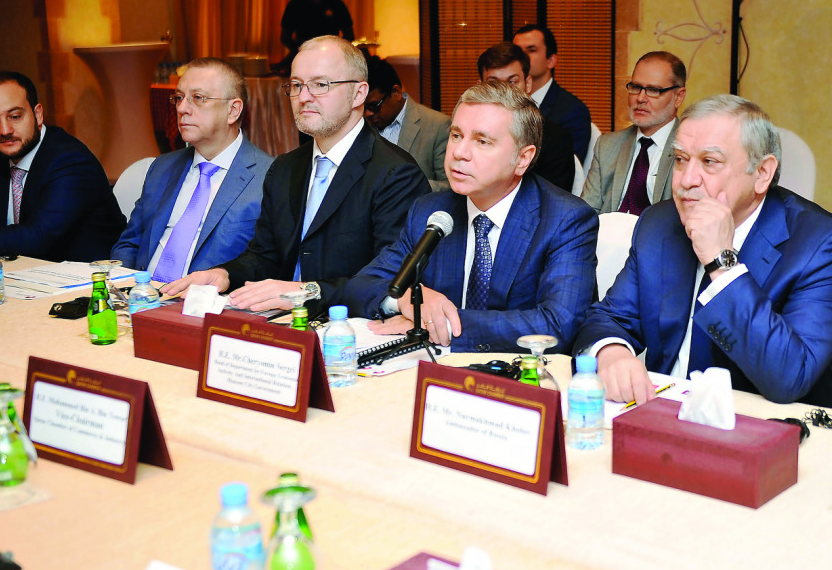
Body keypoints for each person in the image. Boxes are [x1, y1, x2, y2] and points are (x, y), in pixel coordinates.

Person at [573, 95, 832, 408]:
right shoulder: (660, 223)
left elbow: (789, 378)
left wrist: (721, 261)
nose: (686, 181)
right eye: (681, 159)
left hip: (771, 428)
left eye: (709, 162)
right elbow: (610, 317)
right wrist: (611, 352)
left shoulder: (824, 244)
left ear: (762, 173)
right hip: (662, 416)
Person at [163, 35, 429, 312]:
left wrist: (304, 291)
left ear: (359, 93)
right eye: (296, 85)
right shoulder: (286, 168)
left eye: (320, 85)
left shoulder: (396, 174)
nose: (303, 97)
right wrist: (224, 274)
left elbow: (391, 281)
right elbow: (265, 256)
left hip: (347, 328)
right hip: (280, 322)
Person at [344, 80, 598, 353]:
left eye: (482, 141)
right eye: (456, 135)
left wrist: (436, 323)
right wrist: (406, 300)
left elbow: (558, 324)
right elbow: (360, 286)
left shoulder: (565, 219)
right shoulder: (431, 211)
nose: (459, 153)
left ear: (523, 158)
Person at [111, 58, 273, 278]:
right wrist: (123, 285)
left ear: (233, 111)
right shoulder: (162, 167)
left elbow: (269, 263)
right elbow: (130, 242)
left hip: (208, 304)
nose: (182, 108)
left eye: (198, 98)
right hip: (140, 299)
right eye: (179, 98)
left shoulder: (268, 177)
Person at [0, 71, 124, 261]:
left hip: (88, 279)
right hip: (21, 278)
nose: (4, 130)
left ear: (38, 114)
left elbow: (36, 238)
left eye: (15, 116)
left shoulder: (70, 160)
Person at [581, 51, 685, 214]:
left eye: (653, 90)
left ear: (678, 96)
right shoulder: (607, 145)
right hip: (607, 236)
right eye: (636, 87)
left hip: (657, 238)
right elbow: (587, 212)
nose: (640, 98)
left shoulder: (689, 148)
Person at [477, 42, 576, 192]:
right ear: (480, 88)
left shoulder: (555, 140)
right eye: (495, 84)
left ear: (528, 84)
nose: (505, 92)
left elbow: (554, 202)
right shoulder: (467, 136)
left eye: (512, 82)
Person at [363, 56, 450, 191]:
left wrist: (409, 186)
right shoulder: (361, 125)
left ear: (396, 93)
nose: (368, 113)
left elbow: (449, 187)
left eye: (374, 106)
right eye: (363, 107)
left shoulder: (437, 126)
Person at [513, 24, 593, 163]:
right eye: (517, 51)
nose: (522, 57)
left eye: (531, 50)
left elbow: (567, 168)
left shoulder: (572, 111)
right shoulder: (505, 103)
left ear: (551, 61)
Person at [278, 0, 355, 68]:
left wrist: (337, 52)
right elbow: (285, 37)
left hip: (332, 60)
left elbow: (349, 34)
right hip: (302, 59)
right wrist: (299, 50)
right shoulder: (295, 5)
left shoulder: (336, 4)